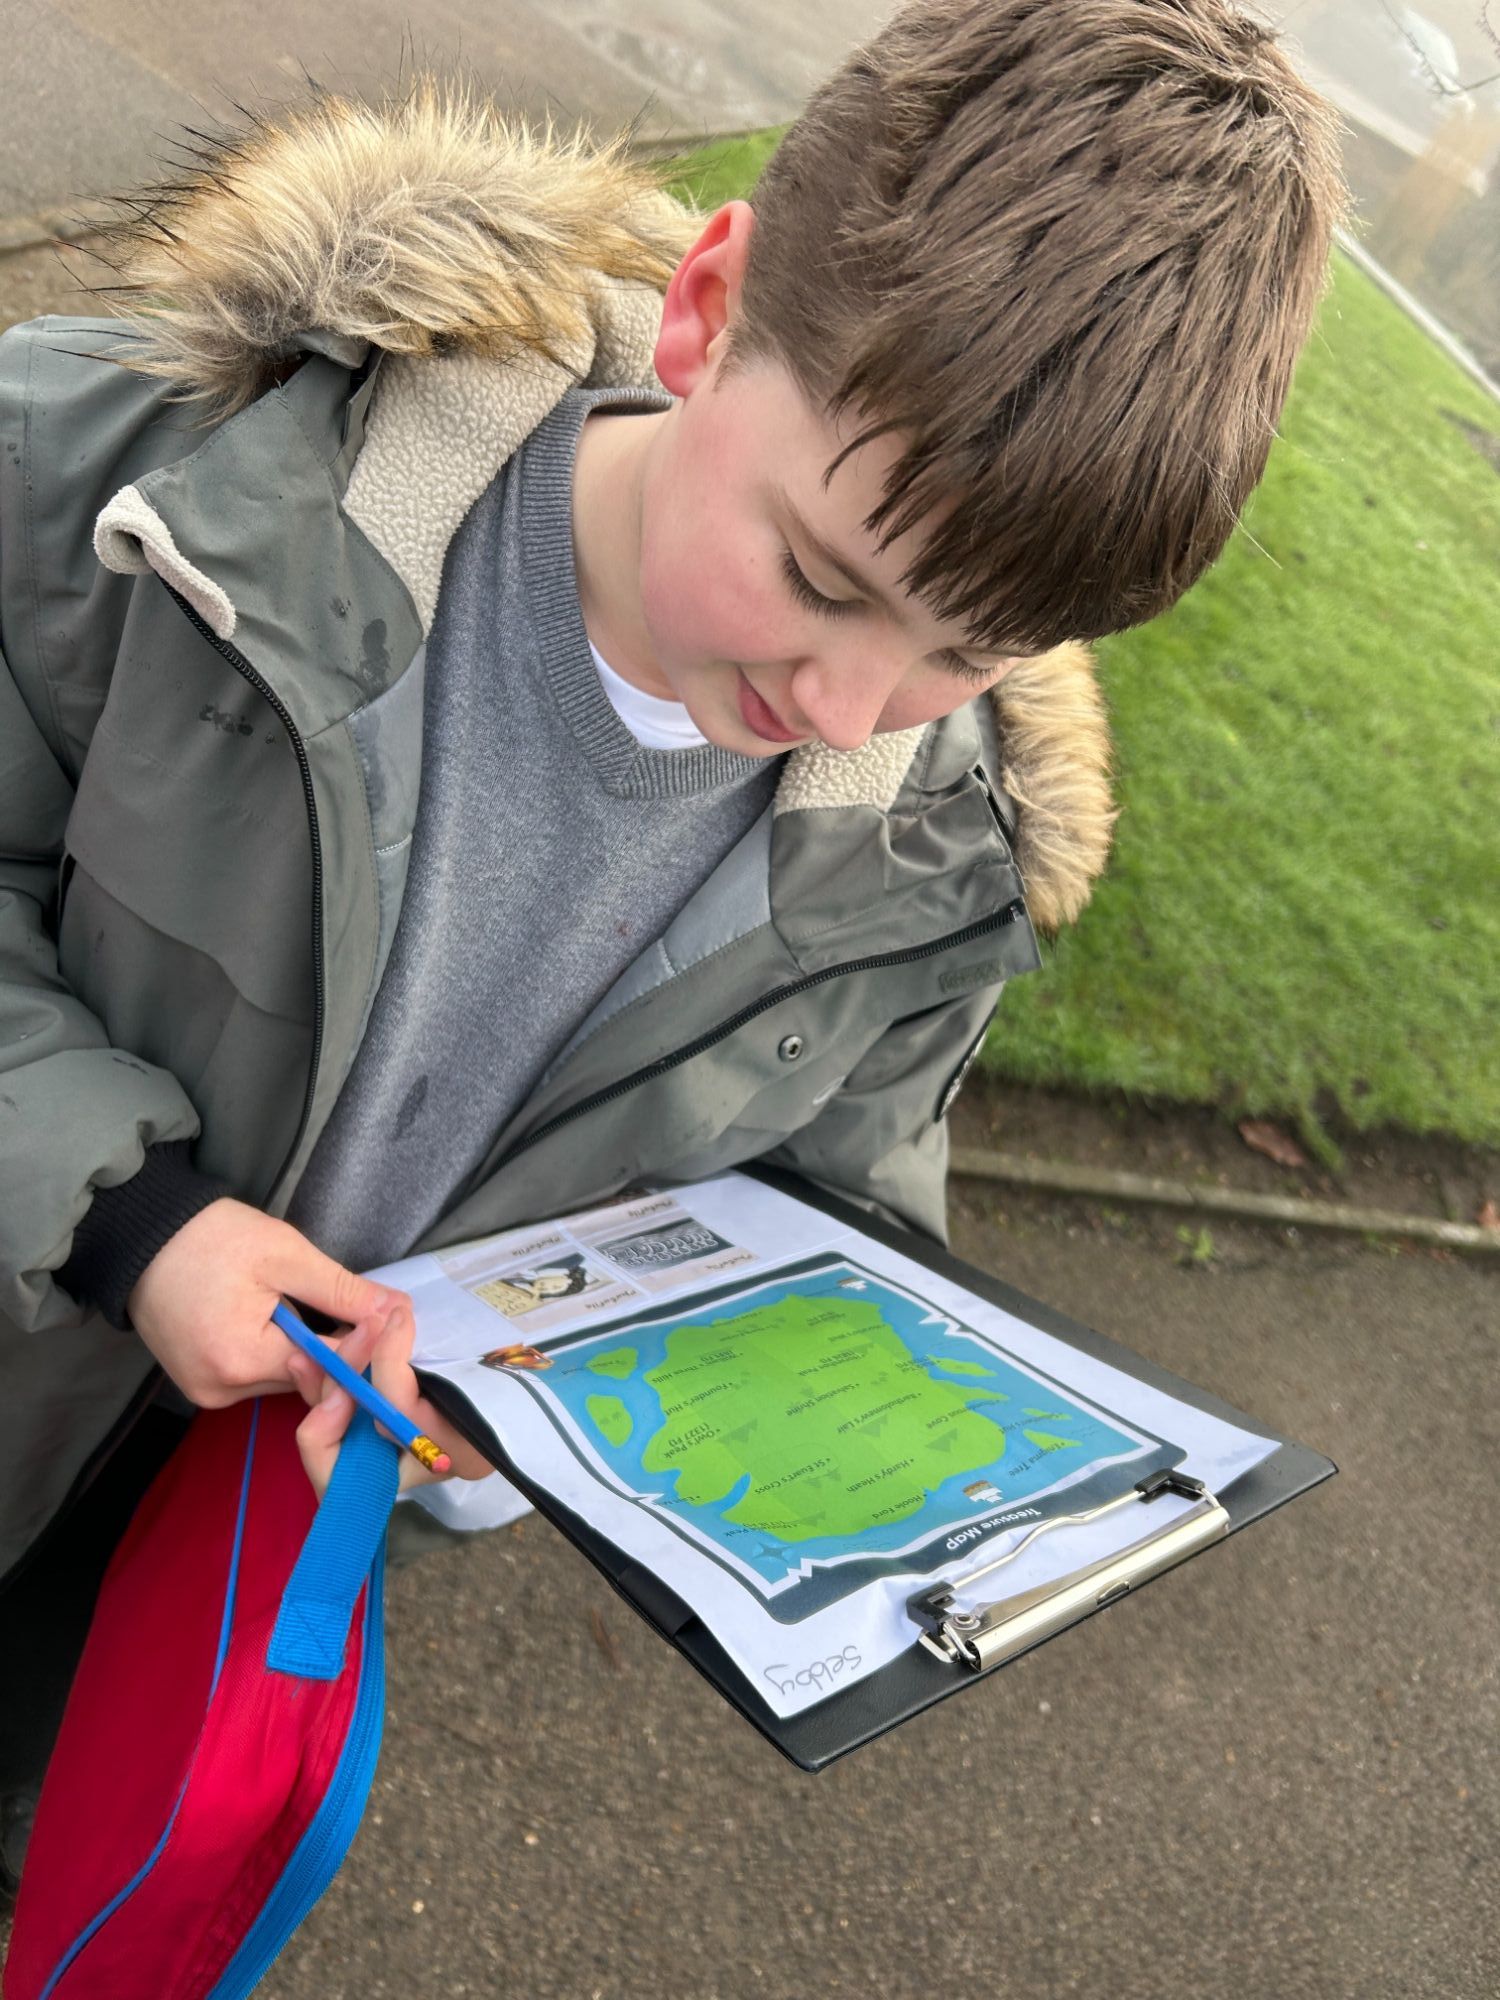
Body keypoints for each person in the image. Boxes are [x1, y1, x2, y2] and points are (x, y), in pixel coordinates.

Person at [0, 0, 1343, 1892]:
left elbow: (813, 1216)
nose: (849, 697)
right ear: (706, 310)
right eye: (819, 574)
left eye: (966, 652)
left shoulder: (938, 857)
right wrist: (134, 1219)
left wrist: (571, 1402)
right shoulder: (141, 476)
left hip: (240, 1546)